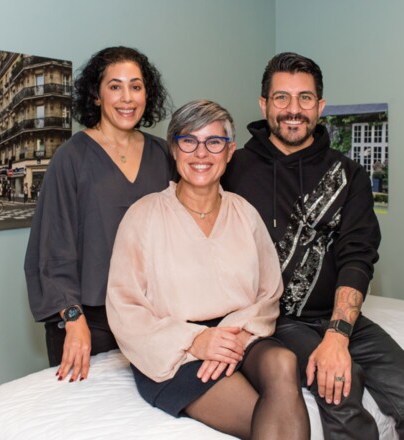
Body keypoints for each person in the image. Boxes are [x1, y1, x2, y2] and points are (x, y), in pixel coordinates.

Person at [222, 52, 404, 440]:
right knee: (343, 390)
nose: (294, 110)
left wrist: (338, 334)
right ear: (264, 104)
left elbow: (357, 255)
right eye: (281, 98)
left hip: (341, 317)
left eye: (305, 98)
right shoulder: (233, 169)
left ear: (320, 105)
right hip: (279, 320)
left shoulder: (349, 175)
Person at [107, 100, 310, 440]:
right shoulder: (143, 216)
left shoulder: (245, 213)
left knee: (283, 363)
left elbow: (270, 291)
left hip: (241, 333)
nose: (201, 153)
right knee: (261, 419)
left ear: (229, 152)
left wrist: (237, 334)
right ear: (174, 149)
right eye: (189, 141)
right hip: (174, 350)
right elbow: (124, 308)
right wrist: (197, 339)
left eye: (214, 142)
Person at [24, 46, 172, 383]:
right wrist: (73, 320)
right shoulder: (71, 157)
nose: (127, 98)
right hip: (87, 321)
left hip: (150, 318)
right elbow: (51, 250)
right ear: (96, 95)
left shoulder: (163, 154)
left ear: (147, 94)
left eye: (136, 86)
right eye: (115, 86)